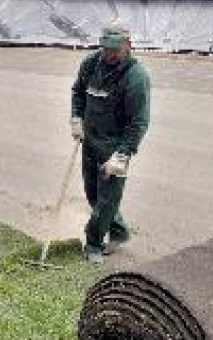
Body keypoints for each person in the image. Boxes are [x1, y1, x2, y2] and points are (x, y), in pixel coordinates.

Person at [70, 21, 150, 264]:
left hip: (115, 148)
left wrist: (123, 154)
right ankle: (119, 231)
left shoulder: (135, 77)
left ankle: (93, 244)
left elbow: (138, 122)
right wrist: (76, 117)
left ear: (128, 45)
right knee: (93, 194)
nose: (109, 54)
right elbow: (78, 91)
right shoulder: (92, 62)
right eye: (105, 47)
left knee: (107, 201)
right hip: (91, 141)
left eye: (115, 49)